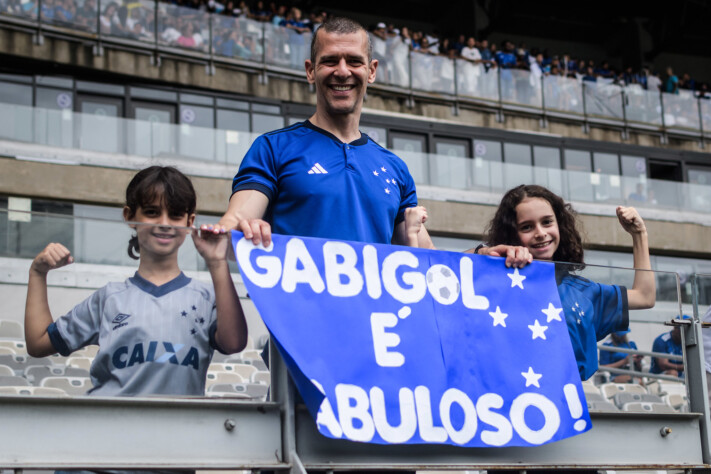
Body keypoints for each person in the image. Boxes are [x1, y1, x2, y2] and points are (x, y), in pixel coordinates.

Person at [24, 166, 248, 396]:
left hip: (182, 428)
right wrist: (37, 273)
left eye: (175, 214)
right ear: (129, 216)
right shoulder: (109, 298)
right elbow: (38, 343)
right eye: (152, 212)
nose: (164, 222)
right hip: (112, 426)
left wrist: (217, 262)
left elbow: (233, 344)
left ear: (190, 221)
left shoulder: (206, 296)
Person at [483, 185, 656, 380]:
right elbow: (443, 268)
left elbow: (645, 296)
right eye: (527, 227)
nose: (540, 233)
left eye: (547, 222)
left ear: (560, 225)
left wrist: (639, 234)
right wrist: (484, 253)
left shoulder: (582, 290)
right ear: (512, 234)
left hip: (570, 403)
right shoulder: (493, 280)